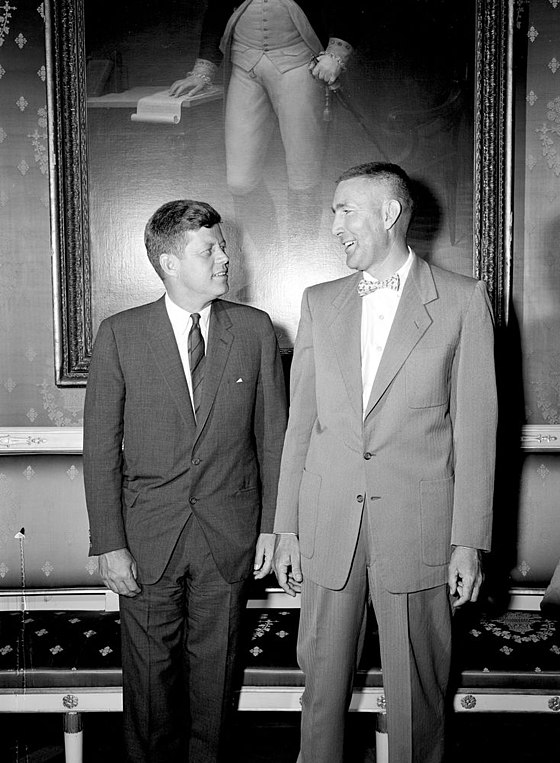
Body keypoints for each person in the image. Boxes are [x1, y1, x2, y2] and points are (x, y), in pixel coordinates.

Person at [273, 162, 497, 762]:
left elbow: (477, 431)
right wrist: (287, 526)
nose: (334, 224)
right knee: (319, 696)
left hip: (418, 531)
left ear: (391, 214)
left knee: (418, 699)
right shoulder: (319, 302)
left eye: (347, 210)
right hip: (328, 527)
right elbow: (302, 426)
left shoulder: (463, 300)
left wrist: (468, 541)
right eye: (333, 211)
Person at [83, 199, 288, 762]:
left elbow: (275, 439)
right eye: (211, 249)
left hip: (229, 536)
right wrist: (110, 543)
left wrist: (273, 528)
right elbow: (99, 450)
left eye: (223, 246)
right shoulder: (121, 335)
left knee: (216, 682)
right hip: (147, 540)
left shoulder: (253, 330)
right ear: (170, 262)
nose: (226, 257)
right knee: (148, 689)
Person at [169, 1, 360, 244]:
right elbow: (217, 12)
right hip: (245, 66)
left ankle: (300, 253)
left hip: (299, 63)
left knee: (304, 174)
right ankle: (267, 253)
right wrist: (202, 71)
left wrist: (336, 55)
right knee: (239, 180)